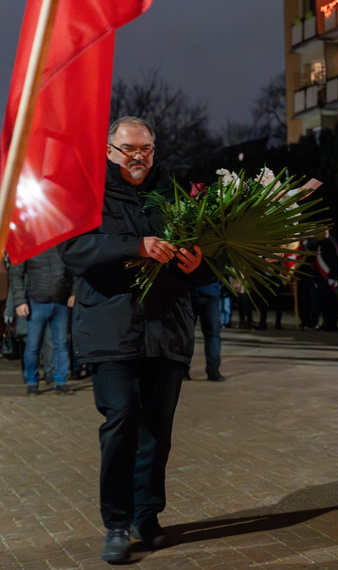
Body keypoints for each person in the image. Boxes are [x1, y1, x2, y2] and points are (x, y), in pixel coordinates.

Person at [57, 116, 208, 563]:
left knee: (157, 431)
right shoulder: (87, 195)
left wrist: (198, 263)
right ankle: (117, 523)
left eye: (145, 149)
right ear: (110, 151)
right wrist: (136, 246)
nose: (137, 156)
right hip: (111, 330)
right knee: (121, 421)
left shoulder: (176, 196)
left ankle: (148, 517)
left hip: (166, 330)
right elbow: (74, 250)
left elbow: (207, 262)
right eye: (128, 149)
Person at [8, 246, 75, 395]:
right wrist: (19, 301)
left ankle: (60, 380)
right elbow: (16, 274)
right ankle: (32, 381)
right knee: (33, 345)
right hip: (36, 302)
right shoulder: (29, 245)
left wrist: (74, 293)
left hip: (61, 302)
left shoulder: (62, 246)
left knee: (62, 343)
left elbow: (73, 269)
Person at [189, 282, 225, 382]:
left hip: (204, 292)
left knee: (212, 334)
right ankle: (213, 371)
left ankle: (213, 370)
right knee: (212, 335)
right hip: (204, 291)